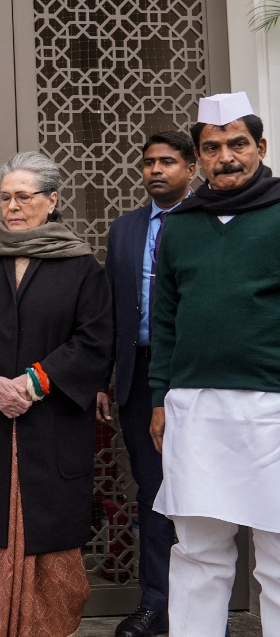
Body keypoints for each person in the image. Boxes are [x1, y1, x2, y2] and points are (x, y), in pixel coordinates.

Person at [0, 151, 113, 637]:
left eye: (24, 197)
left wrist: (36, 382)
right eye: (5, 197)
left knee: (51, 533)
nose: (12, 206)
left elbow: (95, 340)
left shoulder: (81, 266)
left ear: (52, 201)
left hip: (51, 424)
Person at [149, 92, 280, 636]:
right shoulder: (179, 226)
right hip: (194, 407)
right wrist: (159, 397)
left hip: (272, 404)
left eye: (237, 144)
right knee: (198, 549)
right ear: (198, 158)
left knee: (278, 551)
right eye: (212, 147)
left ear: (261, 147)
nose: (226, 157)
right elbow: (164, 321)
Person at [97, 131, 196, 637]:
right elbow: (111, 307)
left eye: (168, 161)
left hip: (196, 375)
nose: (156, 170)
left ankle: (203, 608)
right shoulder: (126, 229)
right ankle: (156, 603)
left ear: (191, 167)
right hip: (136, 374)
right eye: (149, 162)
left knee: (200, 496)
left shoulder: (209, 221)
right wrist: (103, 378)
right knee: (153, 493)